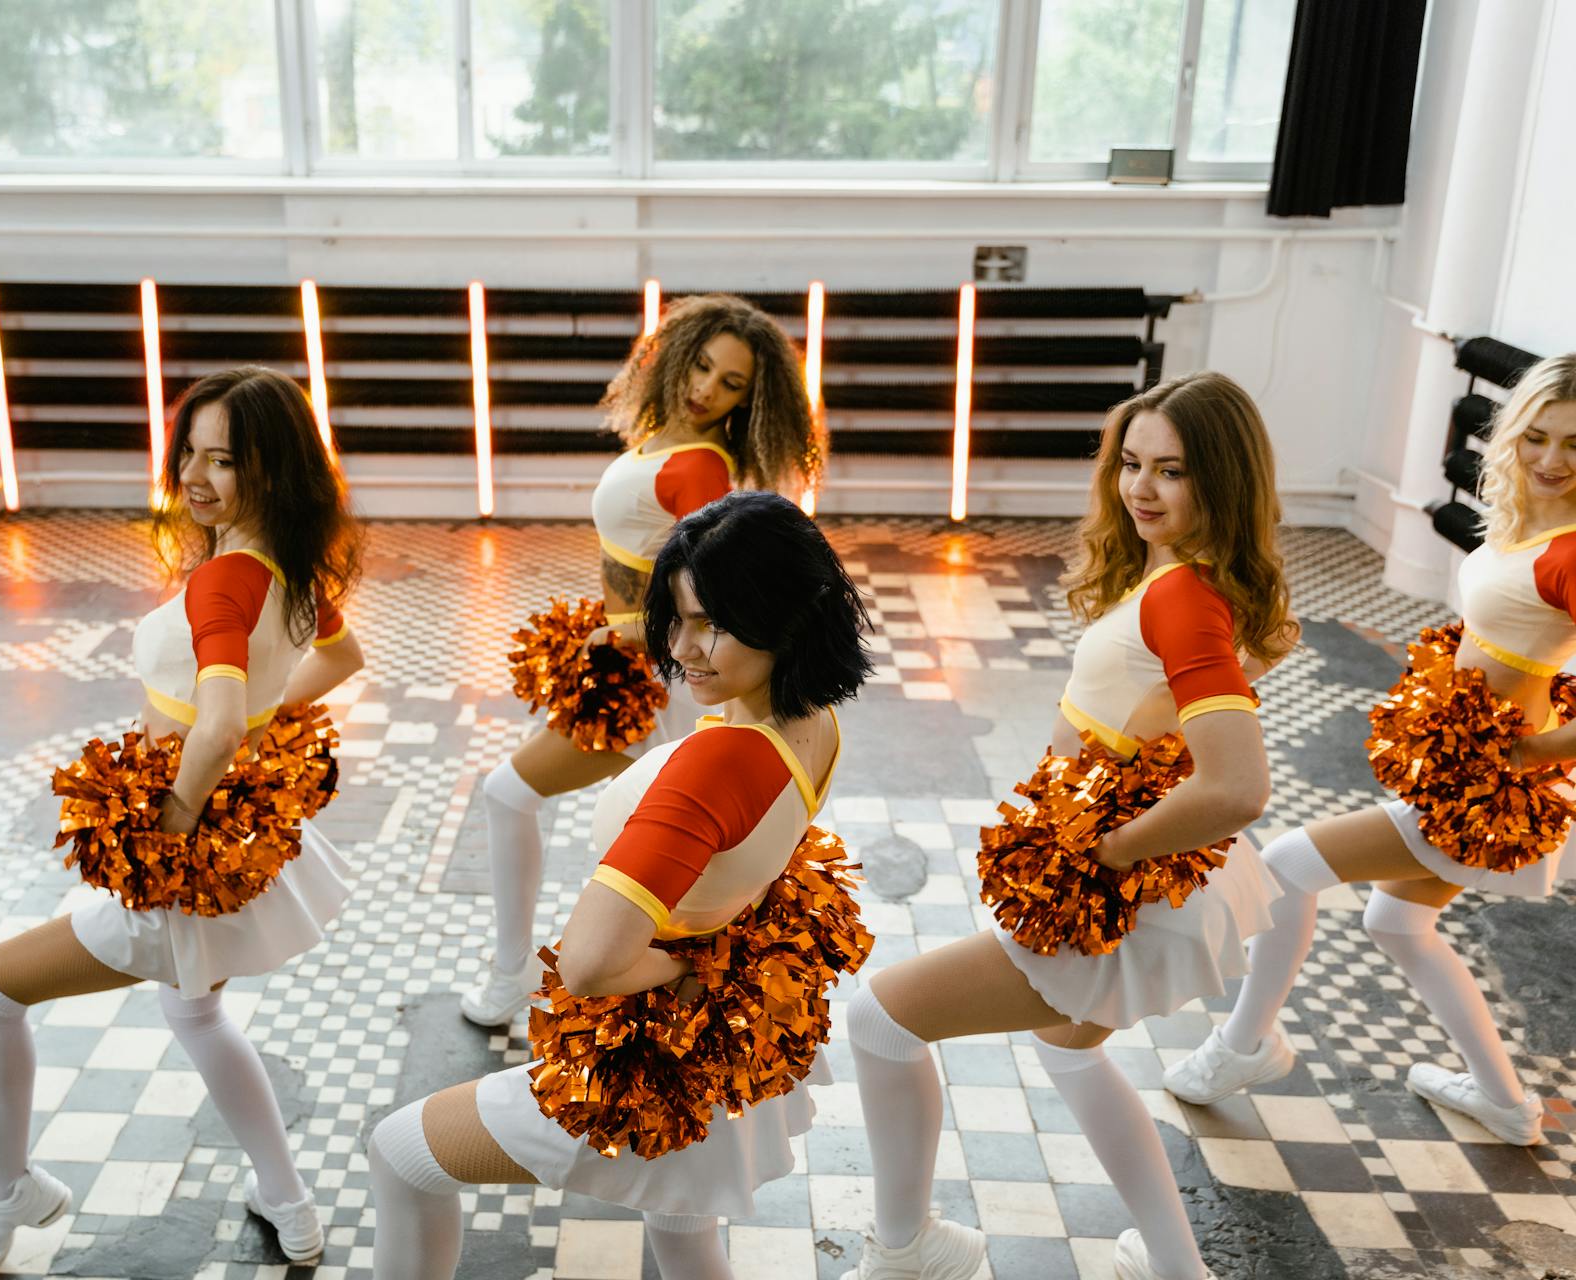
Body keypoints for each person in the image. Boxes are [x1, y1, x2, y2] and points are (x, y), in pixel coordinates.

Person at [840, 373, 1294, 1280]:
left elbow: (1239, 786)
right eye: (1131, 464)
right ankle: (1175, 1266)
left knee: (880, 1019)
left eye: (1173, 471)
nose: (1141, 489)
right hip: (1145, 882)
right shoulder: (1193, 581)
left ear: (1225, 482)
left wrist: (1103, 847)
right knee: (1070, 1054)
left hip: (1118, 892)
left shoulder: (1181, 598)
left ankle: (910, 1252)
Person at [374, 490, 871, 1280]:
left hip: (647, 1060)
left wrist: (688, 966)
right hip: (716, 1063)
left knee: (400, 1151)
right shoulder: (812, 720)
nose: (684, 648)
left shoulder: (718, 763)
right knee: (680, 1218)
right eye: (675, 618)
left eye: (713, 621)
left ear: (788, 612)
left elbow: (591, 964)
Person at [0, 367, 365, 1274]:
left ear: (276, 470)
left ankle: (2, 1191)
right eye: (192, 451)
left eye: (228, 460)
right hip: (240, 846)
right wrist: (266, 726)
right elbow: (341, 655)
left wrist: (168, 830)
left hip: (182, 860)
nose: (198, 475)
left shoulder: (223, 581)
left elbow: (214, 722)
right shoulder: (285, 566)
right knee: (200, 1018)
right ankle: (289, 1201)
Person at [1163, 354, 1576, 1148]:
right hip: (1460, 776)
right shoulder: (1533, 529)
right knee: (1396, 926)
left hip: (1482, 792)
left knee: (1284, 865)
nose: (1552, 460)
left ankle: (1240, 1048)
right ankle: (1501, 1099)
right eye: (1537, 437)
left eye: (1575, 446)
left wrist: (1532, 755)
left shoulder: (1567, 551)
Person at [463, 293, 823, 1027]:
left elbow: (719, 587)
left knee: (526, 801)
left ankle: (528, 981)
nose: (707, 390)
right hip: (635, 668)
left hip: (657, 677)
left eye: (732, 384)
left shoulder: (701, 468)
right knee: (638, 847)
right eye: (702, 367)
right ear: (673, 354)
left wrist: (631, 633)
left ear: (753, 400)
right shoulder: (662, 440)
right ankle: (610, 986)